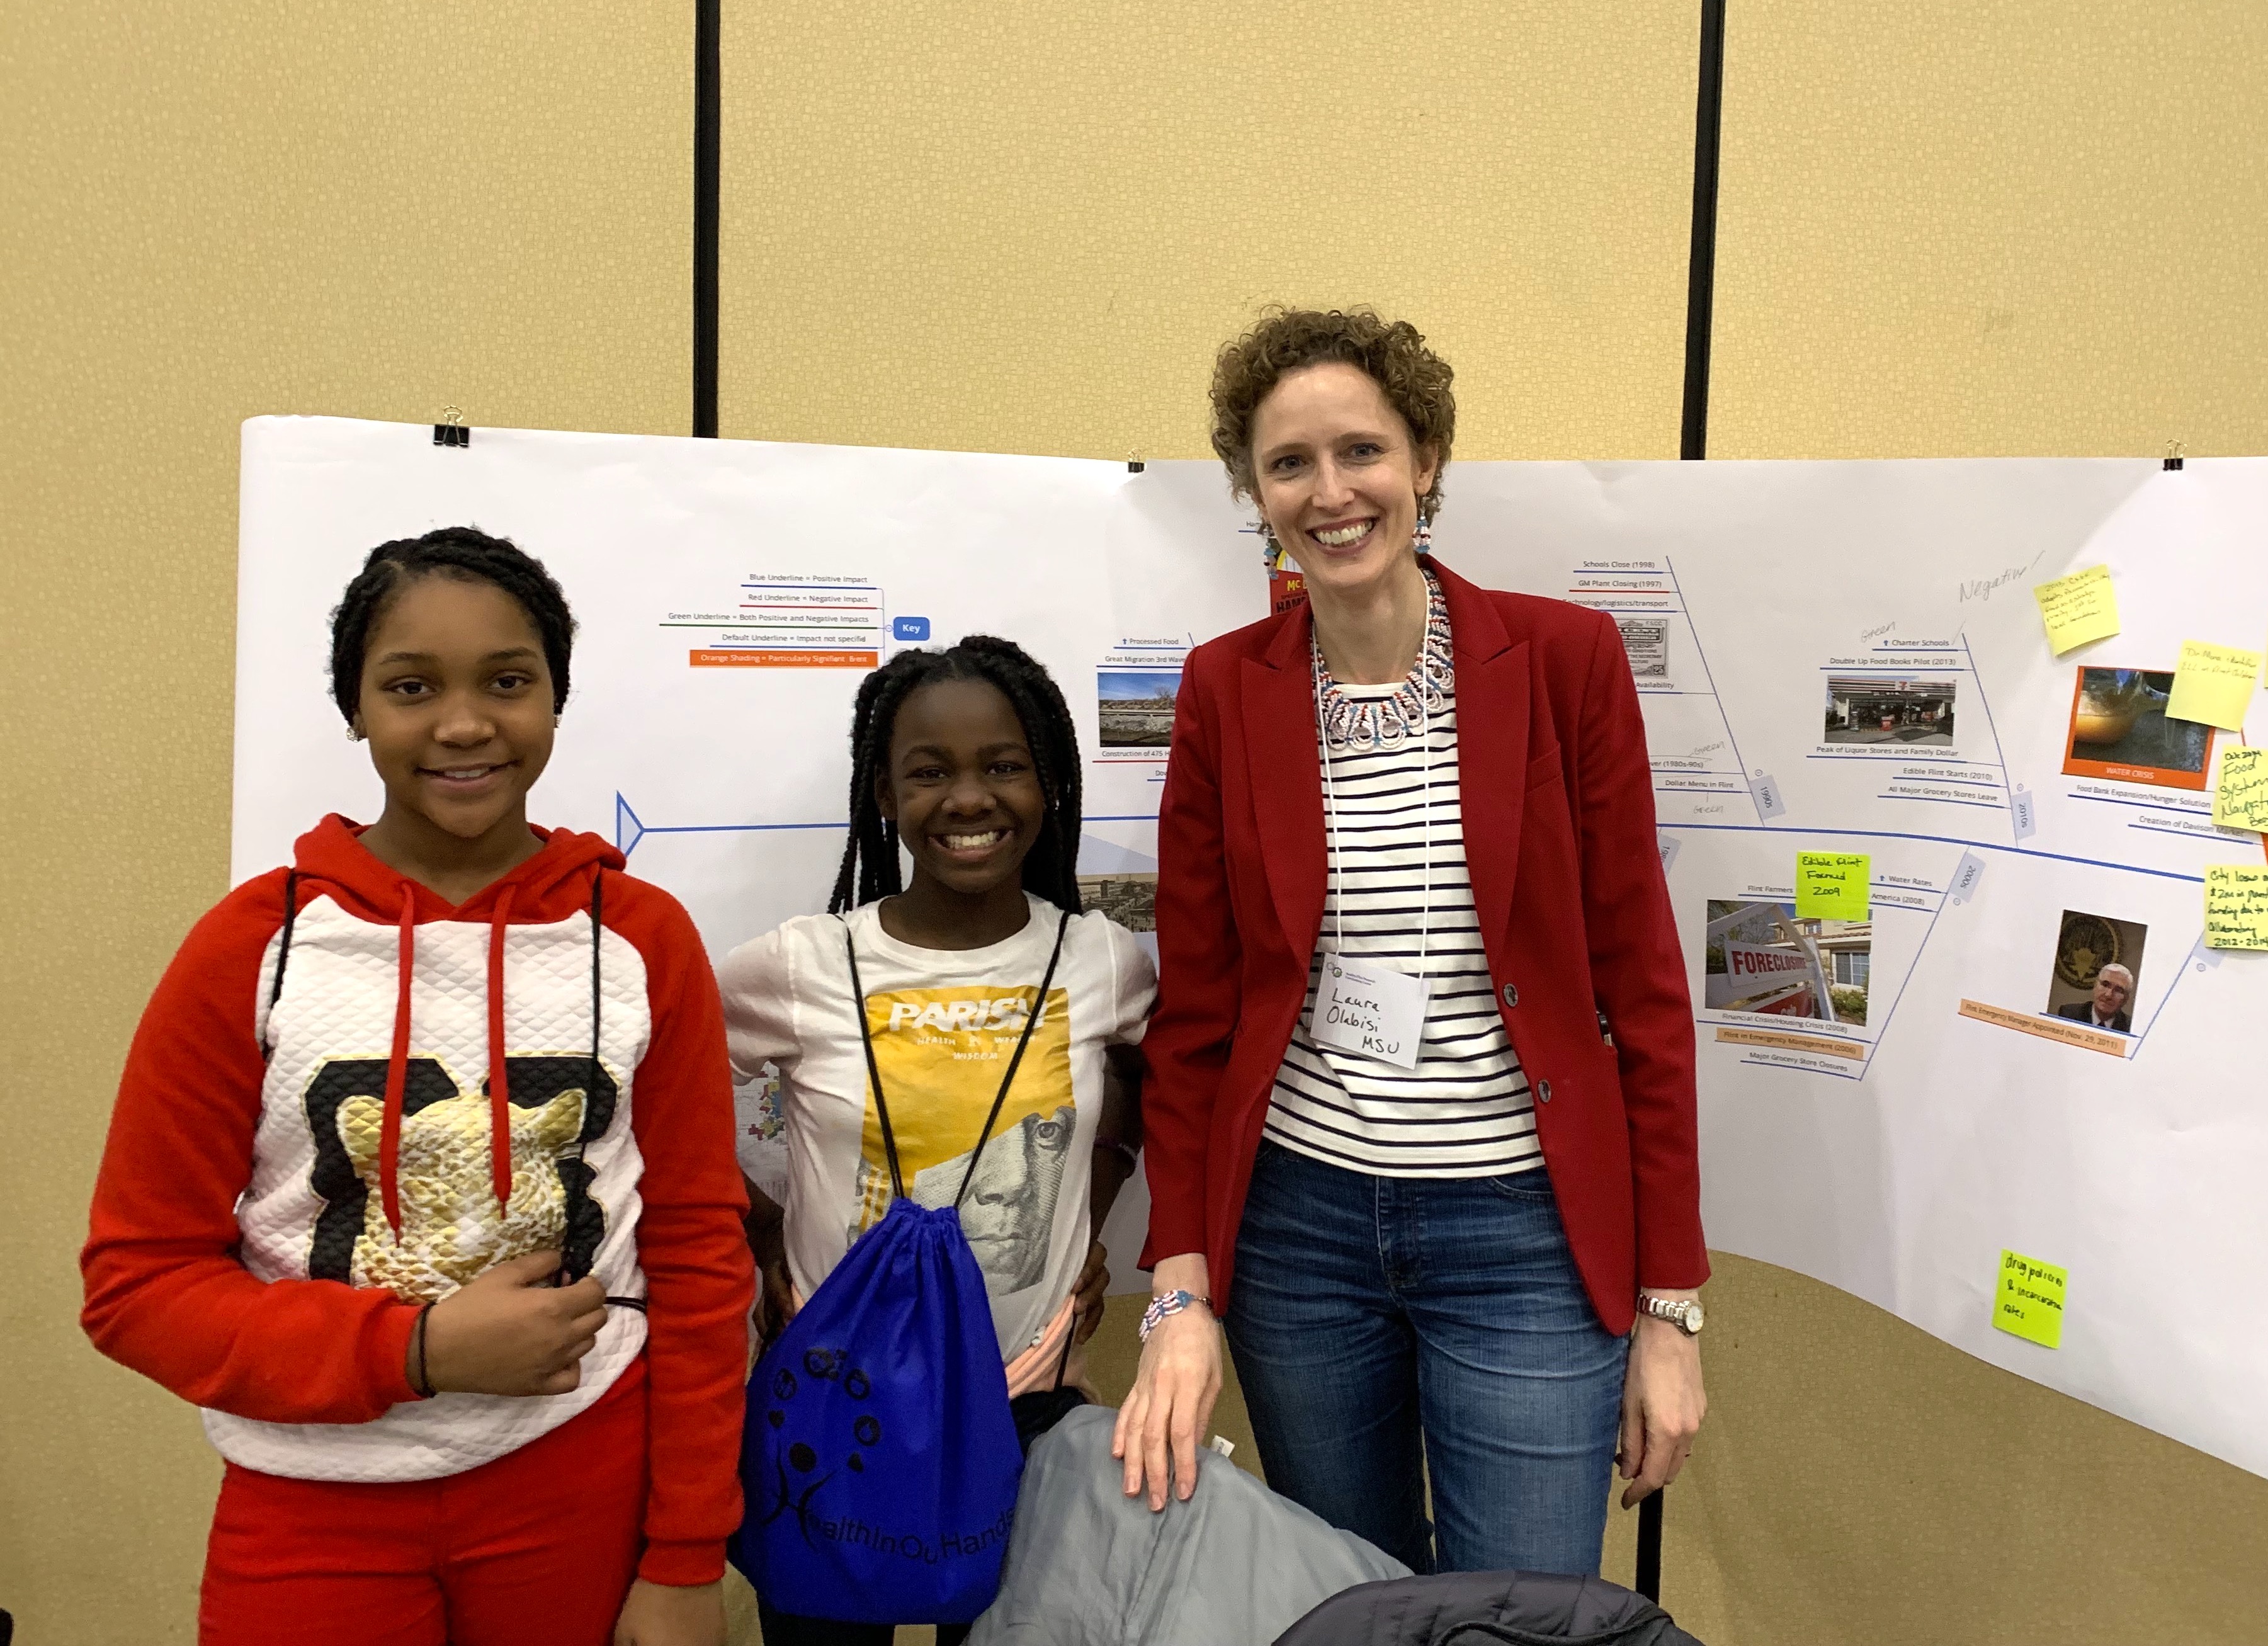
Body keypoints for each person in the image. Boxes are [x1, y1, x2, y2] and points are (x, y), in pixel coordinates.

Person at [1116, 307, 1710, 1577]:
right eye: (1289, 464)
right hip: (1300, 1231)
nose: (1331, 493)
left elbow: (1647, 1001)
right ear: (1254, 490)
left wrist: (1670, 1309)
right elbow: (1198, 1021)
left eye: (1362, 451)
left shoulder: (1562, 660)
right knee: (1356, 1596)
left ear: (1426, 459)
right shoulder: (1229, 688)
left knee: (1523, 1606)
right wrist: (1180, 1290)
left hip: (1526, 1232)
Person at [81, 527, 753, 1646]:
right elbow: (135, 1281)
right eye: (410, 686)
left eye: (507, 680)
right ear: (354, 706)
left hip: (578, 1476)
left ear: (554, 697)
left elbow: (698, 1252)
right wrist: (418, 1349)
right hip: (310, 1503)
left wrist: (685, 1553)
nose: (463, 722)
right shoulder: (253, 947)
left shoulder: (641, 938)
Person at [722, 636, 1156, 1645]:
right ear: (884, 791)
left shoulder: (1097, 958)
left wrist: (1090, 1209)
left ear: (1048, 781)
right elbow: (665, 1091)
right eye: (930, 771)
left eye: (1004, 765)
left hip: (1025, 1400)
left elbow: (1140, 1076)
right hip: (840, 1405)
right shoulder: (804, 963)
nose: (970, 798)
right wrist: (765, 1227)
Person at [2054, 963, 2134, 1031]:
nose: (2108, 995)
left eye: (2118, 990)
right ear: (2095, 986)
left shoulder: (2131, 1028)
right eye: (2105, 985)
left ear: (2126, 999)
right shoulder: (2070, 1015)